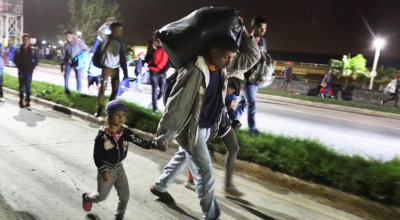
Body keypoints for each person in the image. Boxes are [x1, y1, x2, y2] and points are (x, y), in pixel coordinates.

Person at [150, 17, 260, 220]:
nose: (230, 61)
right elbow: (178, 106)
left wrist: (244, 31)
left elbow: (253, 56)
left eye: (231, 57)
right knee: (206, 174)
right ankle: (211, 216)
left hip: (208, 125)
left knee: (184, 155)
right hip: (194, 128)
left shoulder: (224, 68)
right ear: (214, 52)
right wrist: (164, 135)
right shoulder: (195, 71)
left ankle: (160, 186)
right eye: (227, 56)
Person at [82, 100, 167, 220]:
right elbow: (97, 156)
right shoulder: (102, 137)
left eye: (123, 114)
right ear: (109, 116)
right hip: (106, 169)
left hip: (119, 168)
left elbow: (141, 142)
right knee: (101, 197)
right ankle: (87, 198)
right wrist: (103, 170)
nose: (121, 117)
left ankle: (119, 217)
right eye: (117, 114)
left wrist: (158, 145)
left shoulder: (125, 133)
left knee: (125, 196)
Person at [234, 16, 268, 136]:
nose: (263, 30)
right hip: (247, 78)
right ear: (253, 28)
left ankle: (230, 124)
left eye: (265, 28)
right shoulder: (246, 40)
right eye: (260, 28)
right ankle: (252, 130)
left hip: (256, 79)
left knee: (243, 104)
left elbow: (263, 59)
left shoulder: (263, 43)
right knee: (252, 104)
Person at [94, 22, 129, 117]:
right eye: (119, 29)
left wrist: (126, 74)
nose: (121, 31)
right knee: (102, 90)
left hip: (116, 69)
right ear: (114, 30)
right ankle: (99, 109)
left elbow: (122, 58)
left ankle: (110, 110)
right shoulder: (106, 38)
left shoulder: (120, 42)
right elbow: (100, 31)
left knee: (115, 90)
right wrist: (107, 24)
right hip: (106, 68)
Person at [13, 33, 39, 108]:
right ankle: (21, 99)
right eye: (24, 39)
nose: (25, 40)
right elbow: (14, 59)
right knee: (21, 86)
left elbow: (37, 60)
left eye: (27, 39)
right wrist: (18, 65)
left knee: (28, 86)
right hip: (21, 71)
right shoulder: (18, 49)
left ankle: (27, 100)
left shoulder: (33, 50)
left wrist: (32, 67)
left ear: (29, 40)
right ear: (22, 40)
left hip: (29, 72)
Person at [61, 30, 89, 94]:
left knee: (78, 78)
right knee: (66, 76)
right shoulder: (65, 44)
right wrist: (62, 63)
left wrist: (81, 56)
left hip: (78, 63)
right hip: (69, 62)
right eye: (66, 37)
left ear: (72, 35)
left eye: (68, 36)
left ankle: (78, 92)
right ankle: (66, 90)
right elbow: (63, 54)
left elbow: (86, 49)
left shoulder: (78, 42)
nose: (67, 38)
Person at [148, 34, 169, 113]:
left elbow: (169, 62)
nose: (157, 42)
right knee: (155, 89)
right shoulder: (152, 48)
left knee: (163, 90)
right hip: (153, 71)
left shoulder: (166, 49)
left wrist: (163, 71)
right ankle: (155, 108)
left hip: (163, 72)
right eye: (155, 40)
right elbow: (147, 59)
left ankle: (155, 101)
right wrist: (153, 49)